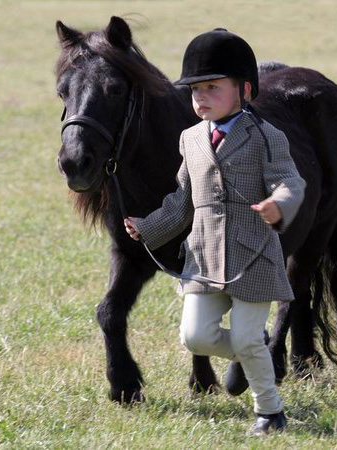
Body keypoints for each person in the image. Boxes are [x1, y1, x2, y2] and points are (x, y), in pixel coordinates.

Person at [124, 28, 305, 435]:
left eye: (211, 87)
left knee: (243, 340)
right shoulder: (190, 139)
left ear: (244, 89)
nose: (200, 96)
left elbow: (291, 181)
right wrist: (148, 227)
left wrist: (278, 206)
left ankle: (269, 412)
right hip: (203, 260)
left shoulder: (265, 136)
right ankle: (251, 345)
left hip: (252, 257)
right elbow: (182, 200)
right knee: (195, 337)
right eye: (194, 90)